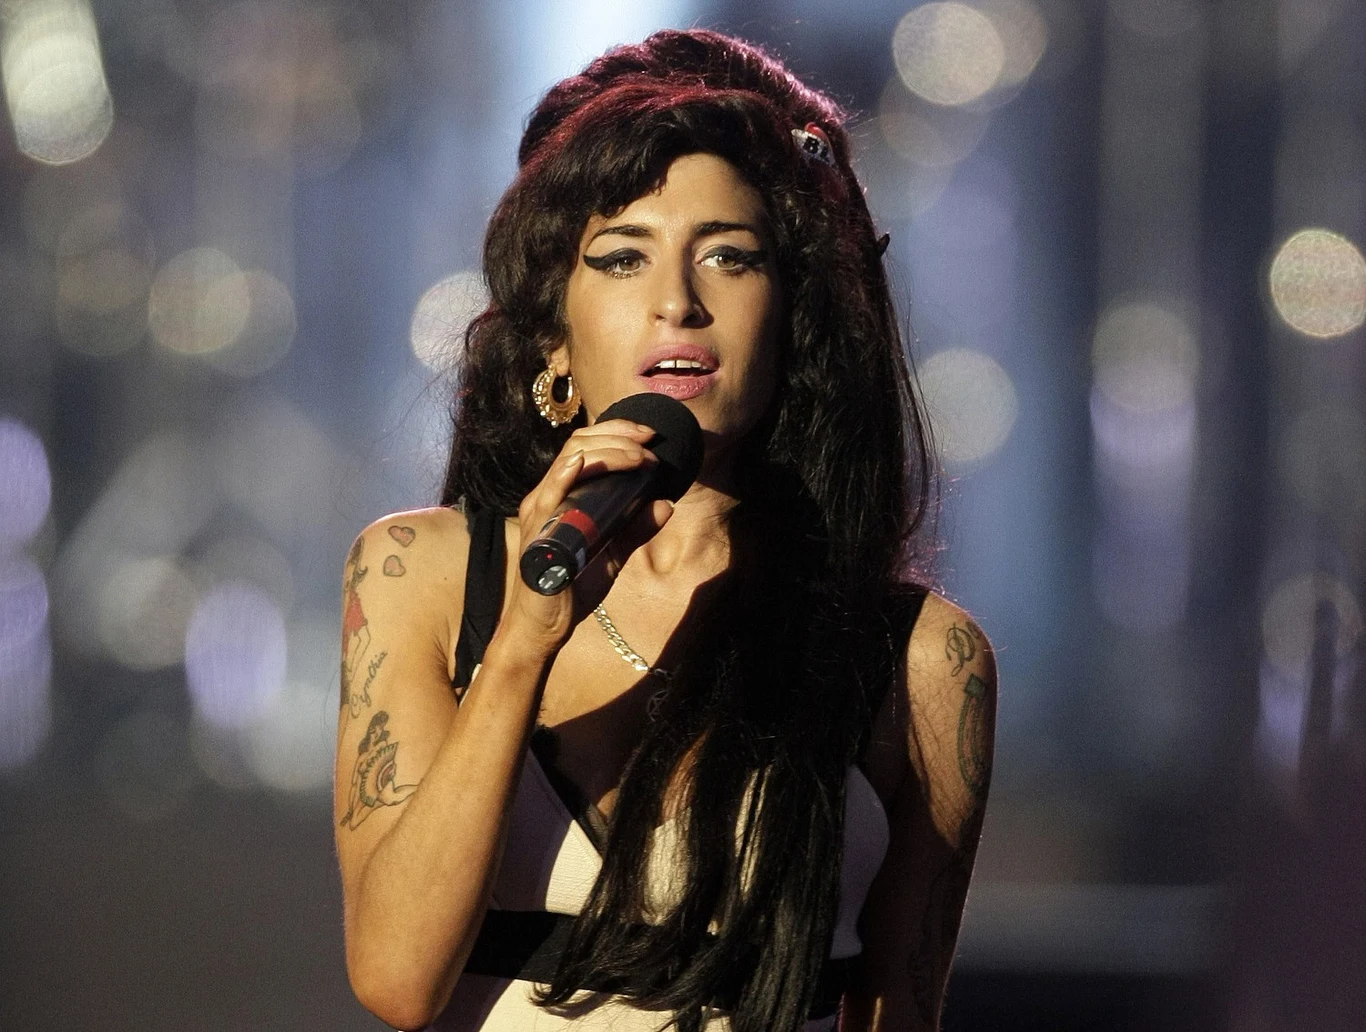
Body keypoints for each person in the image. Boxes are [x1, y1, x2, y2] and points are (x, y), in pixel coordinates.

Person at [333, 29, 996, 1032]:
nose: (678, 303)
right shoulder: (417, 574)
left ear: (794, 316)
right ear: (553, 337)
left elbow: (897, 1009)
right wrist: (520, 644)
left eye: (728, 257)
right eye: (622, 258)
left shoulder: (922, 661)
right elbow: (396, 978)